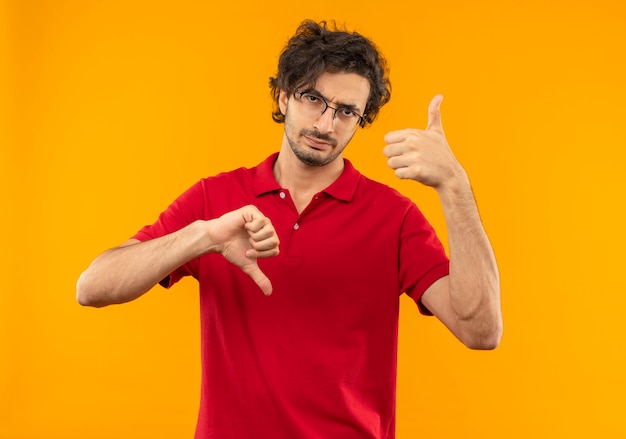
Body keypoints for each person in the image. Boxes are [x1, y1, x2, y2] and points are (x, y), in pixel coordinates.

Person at [76, 19, 502, 439]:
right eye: (313, 98)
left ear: (361, 120)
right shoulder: (214, 198)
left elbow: (481, 331)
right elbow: (92, 287)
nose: (326, 124)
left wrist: (455, 187)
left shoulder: (395, 217)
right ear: (283, 97)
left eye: (347, 111)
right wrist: (202, 237)